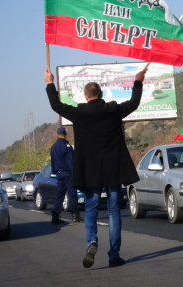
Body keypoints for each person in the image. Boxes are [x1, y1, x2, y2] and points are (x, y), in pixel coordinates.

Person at [45, 66, 146, 269]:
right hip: (113, 169)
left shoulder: (79, 113)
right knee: (114, 211)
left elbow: (56, 105)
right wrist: (138, 81)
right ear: (101, 94)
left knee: (91, 209)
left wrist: (49, 83)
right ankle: (114, 255)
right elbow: (134, 103)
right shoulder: (113, 110)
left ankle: (92, 242)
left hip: (90, 171)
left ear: (86, 96)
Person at [50, 126, 80, 224]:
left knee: (59, 195)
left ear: (57, 134)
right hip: (68, 173)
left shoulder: (53, 147)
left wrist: (55, 172)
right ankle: (74, 214)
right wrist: (75, 173)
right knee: (72, 193)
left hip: (59, 173)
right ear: (65, 134)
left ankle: (55, 215)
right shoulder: (67, 146)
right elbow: (71, 161)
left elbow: (52, 162)